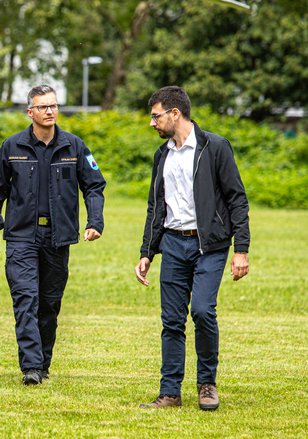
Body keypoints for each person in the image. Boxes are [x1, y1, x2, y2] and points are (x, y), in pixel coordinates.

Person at [0, 85, 106, 386]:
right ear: (30, 112)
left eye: (53, 106)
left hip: (58, 237)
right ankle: (32, 367)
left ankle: (43, 361)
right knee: (26, 299)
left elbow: (94, 185)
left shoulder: (75, 147)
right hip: (22, 236)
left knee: (49, 303)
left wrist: (95, 221)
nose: (50, 111)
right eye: (43, 107)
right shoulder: (12, 147)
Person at [135, 86, 250, 410]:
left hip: (209, 246)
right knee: (171, 320)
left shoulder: (215, 147)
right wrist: (147, 251)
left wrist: (241, 249)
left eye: (156, 116)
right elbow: (155, 207)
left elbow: (237, 199)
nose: (152, 123)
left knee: (201, 310)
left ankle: (206, 384)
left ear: (175, 113)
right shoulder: (163, 155)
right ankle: (170, 392)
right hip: (172, 243)